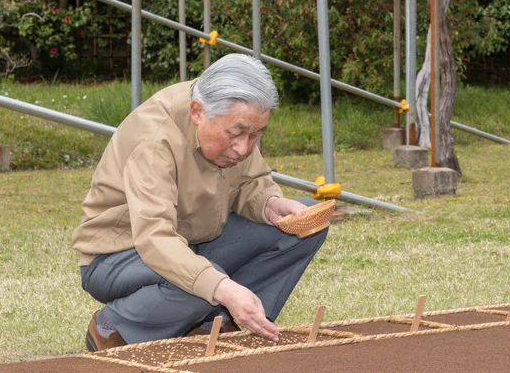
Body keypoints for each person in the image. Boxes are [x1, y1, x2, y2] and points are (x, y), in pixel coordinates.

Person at [73, 54, 328, 352]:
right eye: (237, 133)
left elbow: (250, 182)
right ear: (197, 112)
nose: (244, 147)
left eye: (256, 134)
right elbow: (155, 238)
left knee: (303, 229)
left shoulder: (228, 117)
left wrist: (270, 204)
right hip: (118, 257)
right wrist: (220, 286)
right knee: (204, 285)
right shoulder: (154, 141)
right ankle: (114, 325)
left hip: (196, 242)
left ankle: (216, 325)